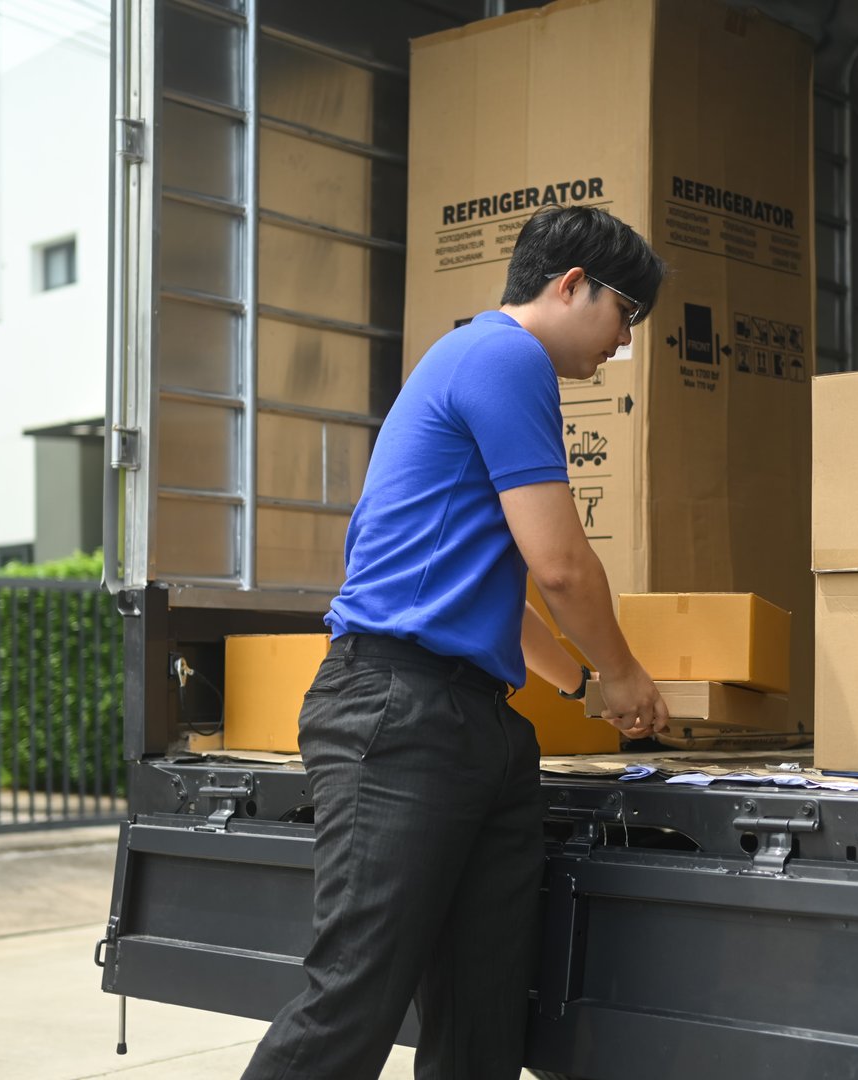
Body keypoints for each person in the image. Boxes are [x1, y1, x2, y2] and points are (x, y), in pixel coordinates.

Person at [241, 205, 670, 1080]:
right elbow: (558, 566)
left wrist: (582, 687)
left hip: (469, 720)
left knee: (482, 1014)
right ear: (571, 285)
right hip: (397, 715)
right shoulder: (504, 355)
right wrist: (624, 675)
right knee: (351, 998)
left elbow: (499, 594)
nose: (625, 344)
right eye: (627, 314)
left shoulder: (473, 363)